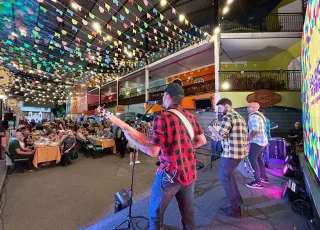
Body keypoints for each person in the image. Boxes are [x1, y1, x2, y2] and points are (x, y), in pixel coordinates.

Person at [122, 83, 207, 230]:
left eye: (163, 95)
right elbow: (202, 141)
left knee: (156, 213)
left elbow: (153, 151)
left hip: (170, 175)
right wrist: (183, 149)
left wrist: (131, 139)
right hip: (189, 173)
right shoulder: (191, 117)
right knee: (188, 214)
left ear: (168, 96)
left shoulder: (162, 118)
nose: (162, 98)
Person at [208, 98, 247, 218]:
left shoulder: (227, 116)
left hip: (231, 154)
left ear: (226, 106)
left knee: (224, 177)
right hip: (240, 153)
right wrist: (218, 135)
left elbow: (221, 136)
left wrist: (212, 129)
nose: (219, 111)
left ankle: (235, 209)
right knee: (229, 176)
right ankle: (238, 199)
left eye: (220, 108)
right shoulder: (239, 116)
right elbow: (228, 136)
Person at [246, 103, 269, 189]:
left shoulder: (253, 117)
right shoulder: (260, 115)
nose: (247, 108)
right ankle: (264, 177)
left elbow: (255, 131)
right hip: (263, 141)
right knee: (259, 159)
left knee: (252, 158)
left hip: (257, 142)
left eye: (249, 106)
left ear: (254, 108)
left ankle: (257, 182)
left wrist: (247, 139)